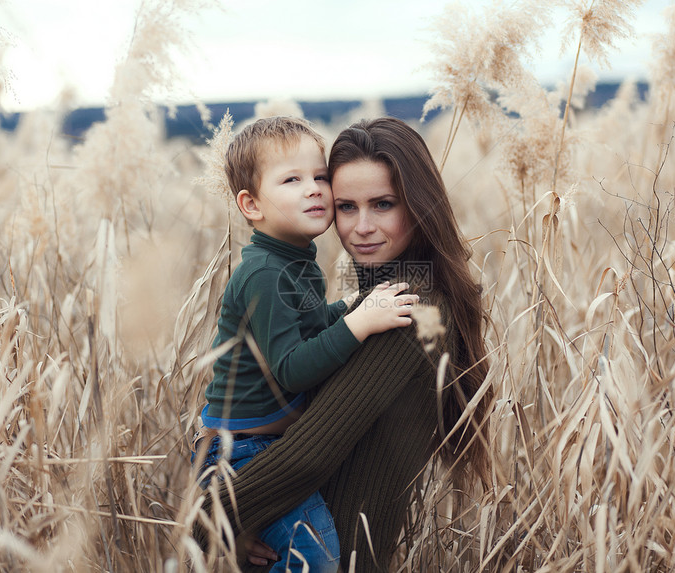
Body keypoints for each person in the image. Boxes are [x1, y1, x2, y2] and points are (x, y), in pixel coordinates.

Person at [194, 117, 492, 572]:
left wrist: (205, 522)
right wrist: (257, 521)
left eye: (384, 204)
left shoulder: (407, 309)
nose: (361, 227)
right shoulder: (381, 300)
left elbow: (305, 456)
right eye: (347, 206)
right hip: (293, 535)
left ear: (419, 205)